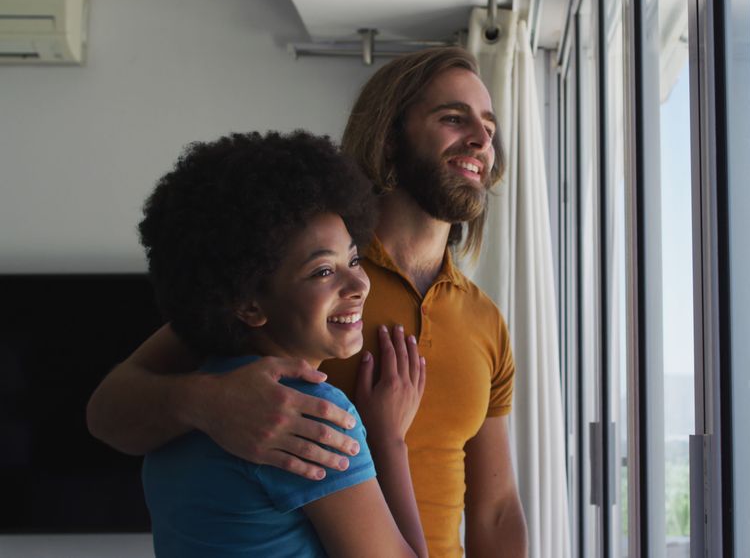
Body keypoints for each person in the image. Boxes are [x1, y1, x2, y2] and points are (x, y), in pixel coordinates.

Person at [87, 48, 527, 558]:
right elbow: (107, 412)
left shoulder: (484, 320)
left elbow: (496, 510)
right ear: (390, 137)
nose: (482, 139)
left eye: (489, 127)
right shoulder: (288, 284)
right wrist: (207, 402)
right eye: (454, 118)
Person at [134, 130, 427, 557]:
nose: (359, 284)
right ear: (249, 305)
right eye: (323, 271)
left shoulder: (173, 413)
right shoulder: (306, 413)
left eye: (353, 259)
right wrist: (388, 439)